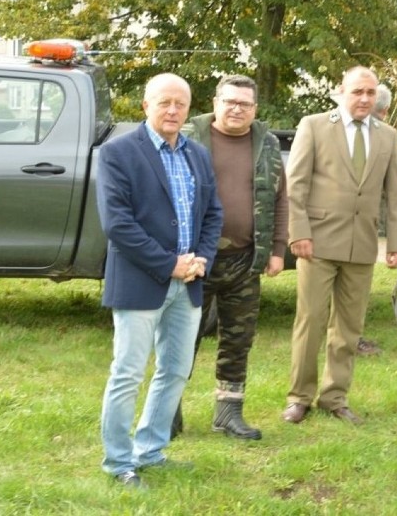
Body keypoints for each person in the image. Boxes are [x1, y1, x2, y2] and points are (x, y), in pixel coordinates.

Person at [96, 73, 223, 488]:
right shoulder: (117, 153)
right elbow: (118, 224)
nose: (172, 110)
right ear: (145, 106)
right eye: (164, 102)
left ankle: (149, 451)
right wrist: (169, 264)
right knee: (128, 372)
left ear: (189, 109)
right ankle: (118, 463)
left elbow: (212, 213)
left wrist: (200, 259)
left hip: (189, 283)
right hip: (140, 282)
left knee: (175, 370)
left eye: (180, 104)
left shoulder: (197, 154)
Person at [282, 66, 397, 425]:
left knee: (349, 327)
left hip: (362, 245)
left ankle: (335, 396)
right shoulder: (315, 125)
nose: (364, 99)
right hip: (317, 242)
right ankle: (299, 397)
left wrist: (396, 242)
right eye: (357, 92)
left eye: (370, 93)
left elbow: (396, 194)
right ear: (341, 91)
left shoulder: (387, 135)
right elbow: (297, 182)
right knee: (311, 320)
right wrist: (298, 232)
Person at [181, 74, 288, 440]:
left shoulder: (268, 144)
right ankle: (167, 412)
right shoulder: (188, 137)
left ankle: (228, 413)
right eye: (230, 101)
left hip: (245, 261)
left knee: (238, 341)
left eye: (244, 103)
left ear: (254, 109)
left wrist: (277, 250)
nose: (237, 108)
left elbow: (280, 199)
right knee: (182, 338)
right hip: (194, 262)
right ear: (215, 103)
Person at [356, 83, 397, 357]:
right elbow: (379, 182)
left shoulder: (381, 135)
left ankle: (349, 336)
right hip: (360, 225)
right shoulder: (372, 135)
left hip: (357, 227)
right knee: (353, 290)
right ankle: (352, 338)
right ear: (385, 110)